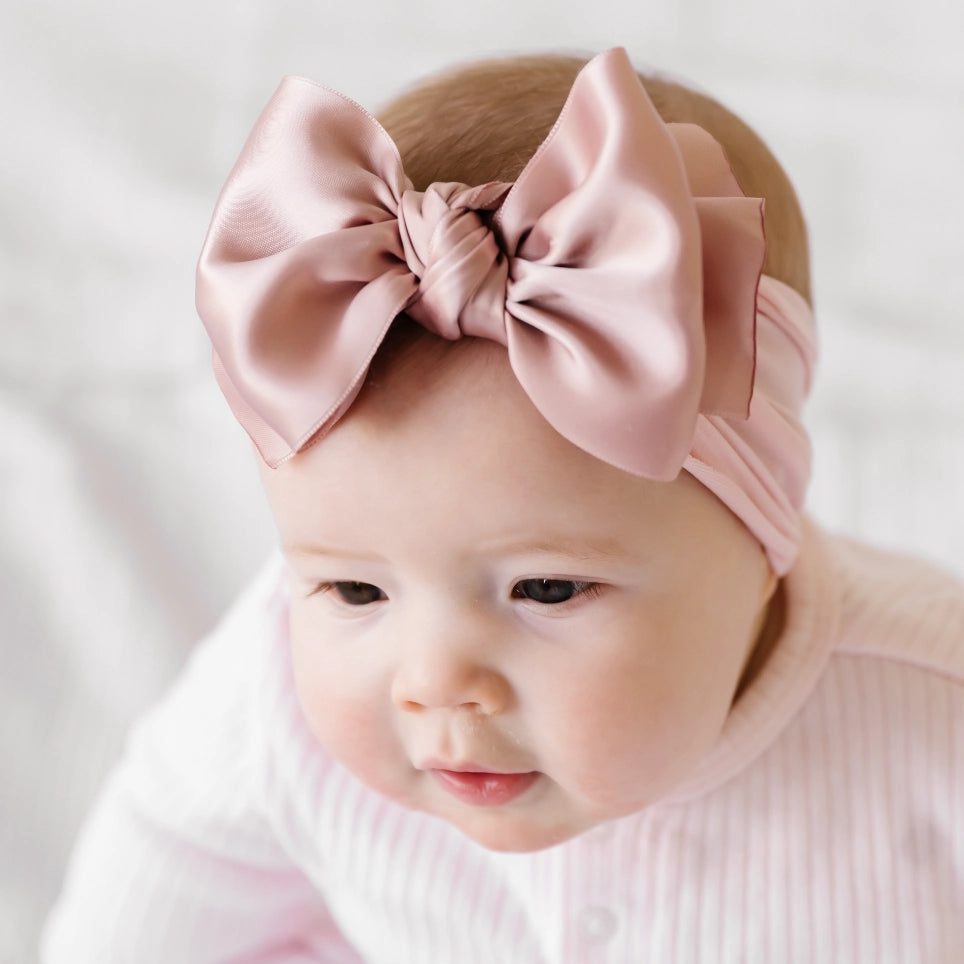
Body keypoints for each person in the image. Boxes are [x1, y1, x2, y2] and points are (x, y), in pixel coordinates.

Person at [41, 46, 963, 962]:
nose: (434, 680)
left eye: (547, 591)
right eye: (357, 593)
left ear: (764, 540)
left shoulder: (930, 708)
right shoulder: (271, 683)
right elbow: (168, 861)